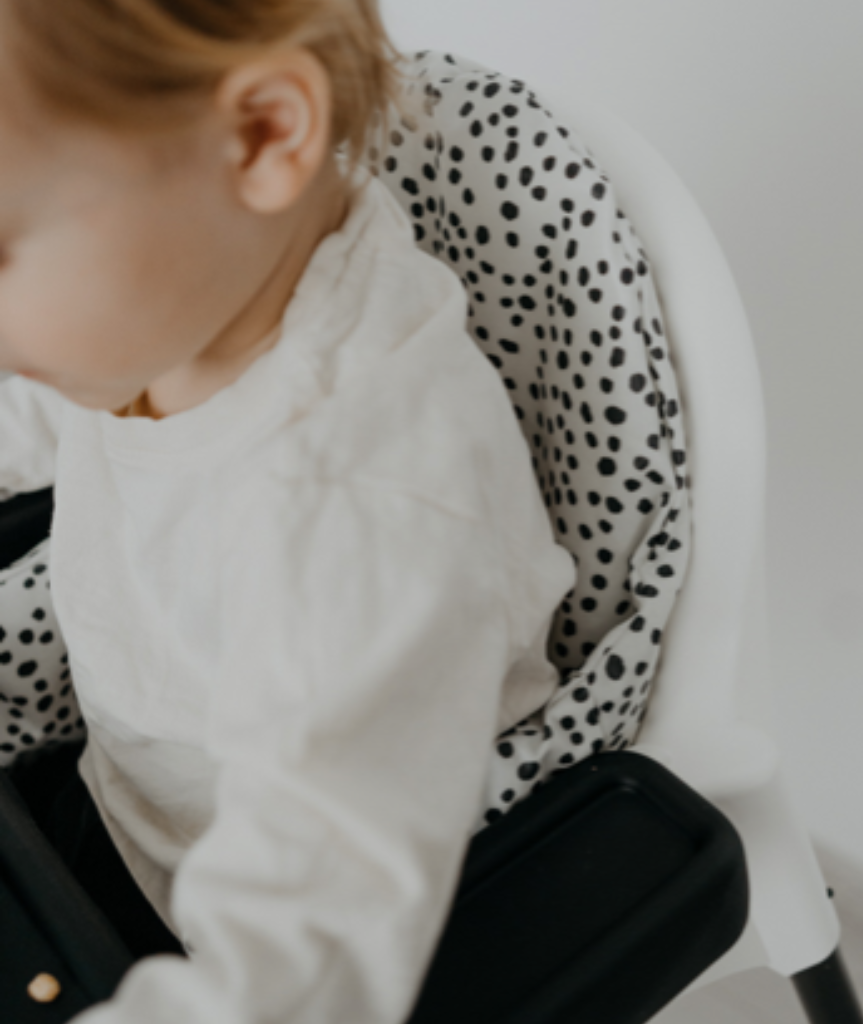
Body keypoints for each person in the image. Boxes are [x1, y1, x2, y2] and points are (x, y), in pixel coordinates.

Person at [0, 1, 577, 1022]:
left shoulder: (357, 508)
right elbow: (29, 407)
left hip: (235, 911)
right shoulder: (185, 282)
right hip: (124, 794)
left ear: (265, 133)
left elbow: (306, 955)